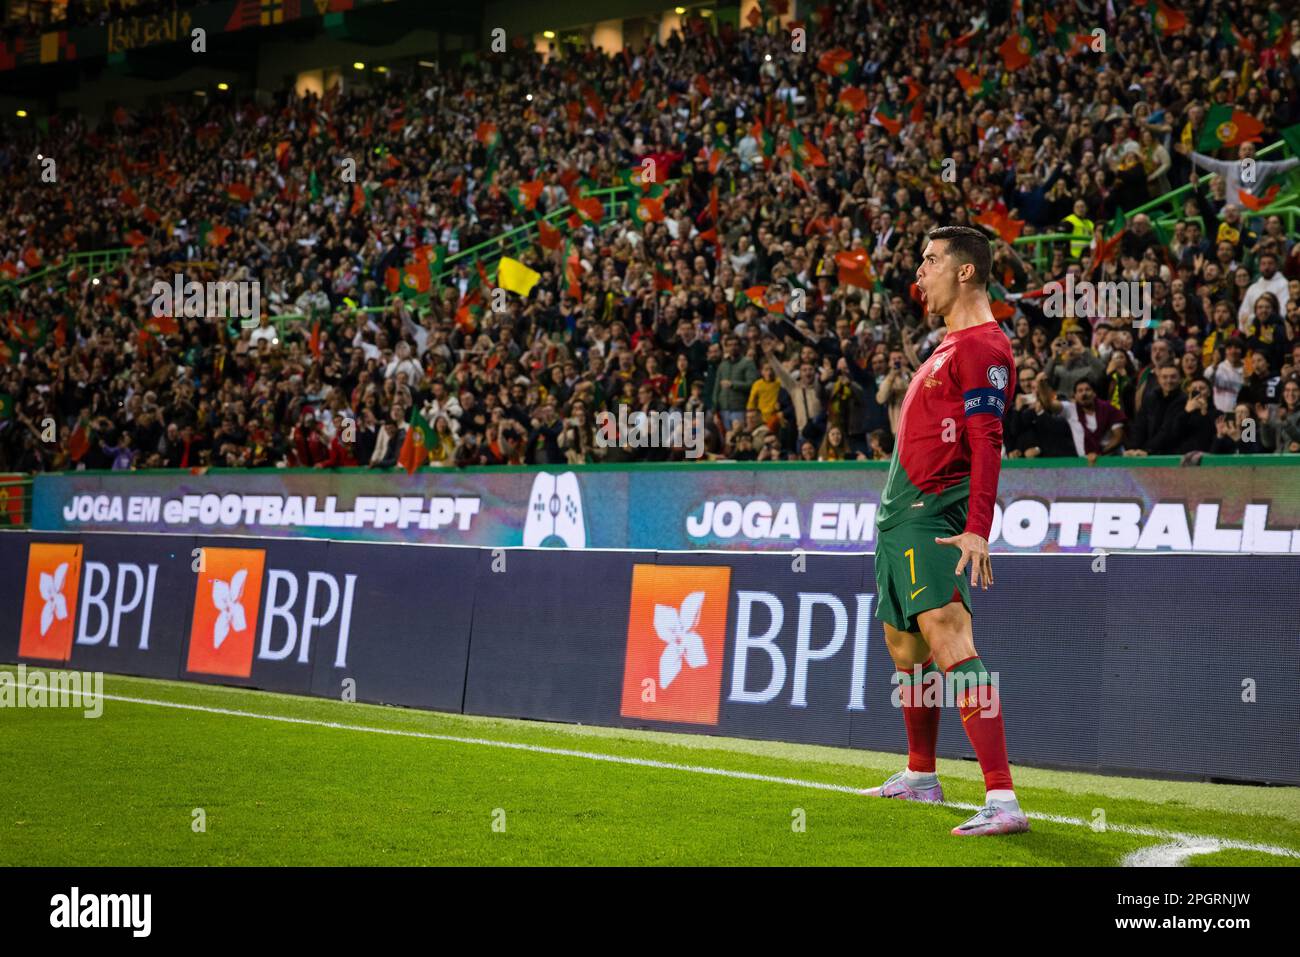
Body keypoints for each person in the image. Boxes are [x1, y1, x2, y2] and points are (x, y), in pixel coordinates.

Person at [861, 226, 1027, 837]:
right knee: (907, 651)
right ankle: (922, 775)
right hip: (899, 519)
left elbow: (988, 440)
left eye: (930, 260)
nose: (920, 272)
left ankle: (1003, 799)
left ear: (964, 271)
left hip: (933, 517)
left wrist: (977, 529)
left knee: (951, 640)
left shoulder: (984, 347)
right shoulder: (946, 346)